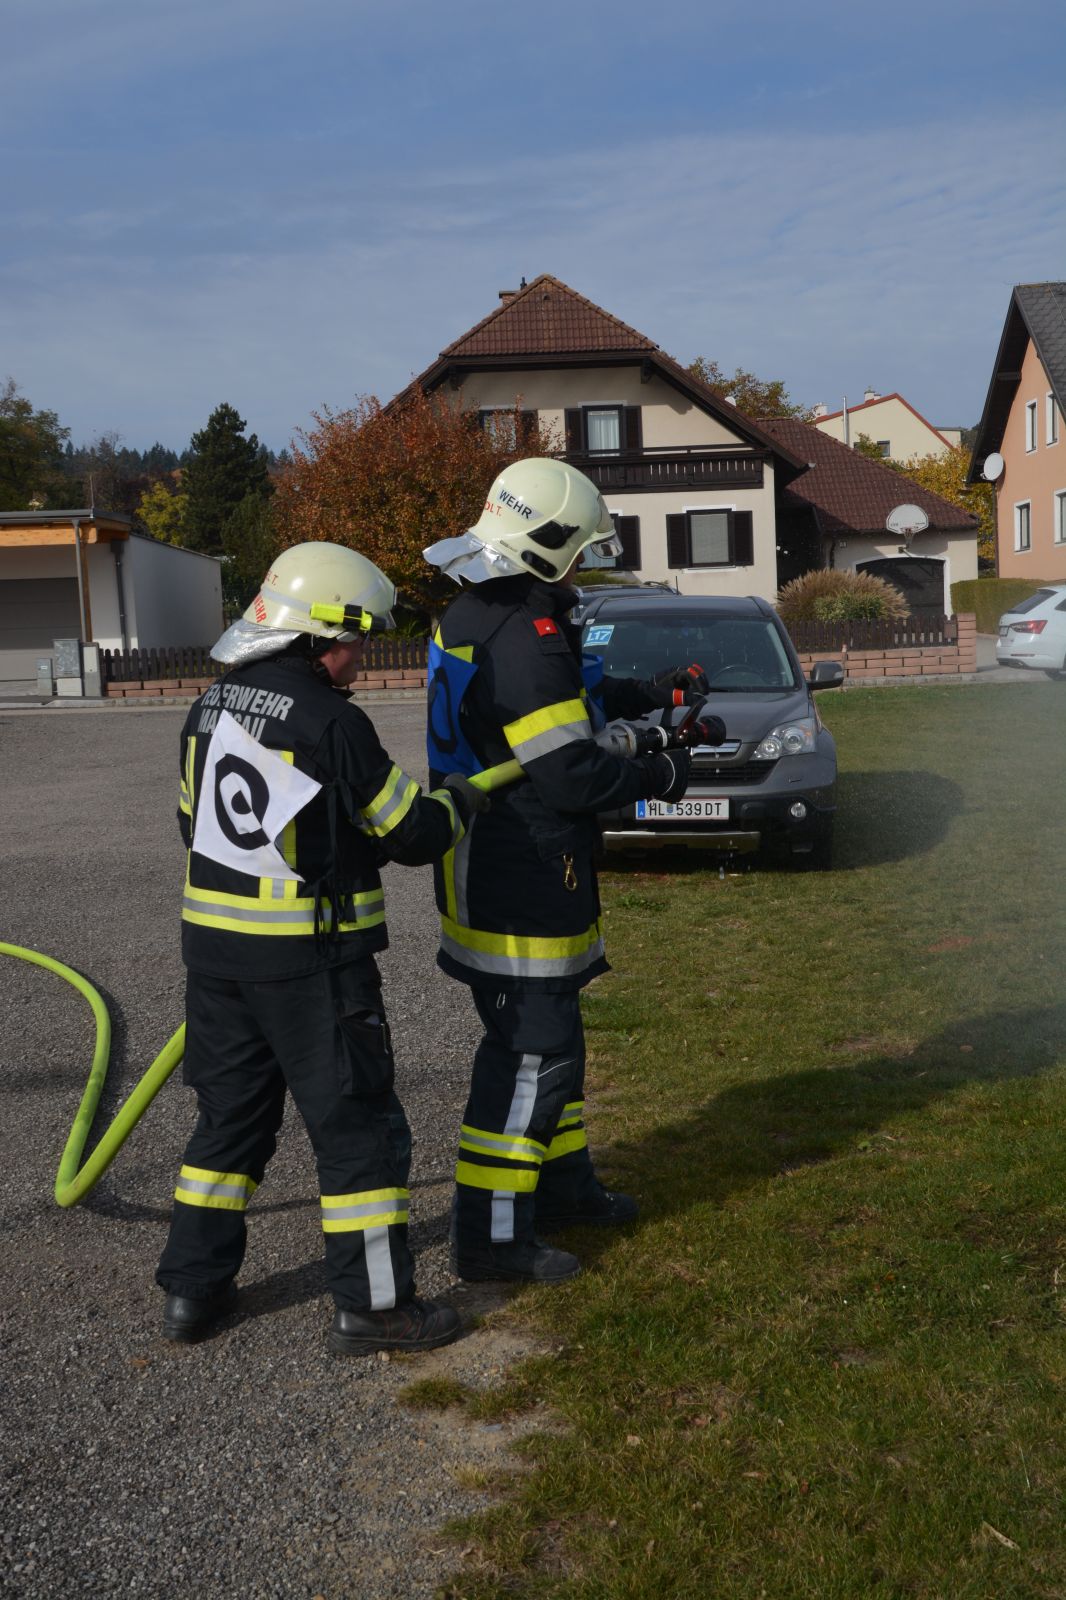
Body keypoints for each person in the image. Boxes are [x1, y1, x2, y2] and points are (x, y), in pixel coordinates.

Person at [157, 541, 487, 1353]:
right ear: (315, 637)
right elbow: (412, 833)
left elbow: (192, 825)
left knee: (228, 1126)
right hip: (312, 966)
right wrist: (460, 800)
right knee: (358, 1132)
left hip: (217, 961)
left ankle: (192, 1293)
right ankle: (375, 1308)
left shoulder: (208, 705)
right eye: (354, 640)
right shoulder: (331, 720)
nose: (360, 657)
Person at [423, 458, 714, 1285]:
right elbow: (569, 775)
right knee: (531, 1056)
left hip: (507, 861)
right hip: (519, 870)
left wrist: (649, 694)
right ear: (546, 545)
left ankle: (563, 1186)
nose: (584, 564)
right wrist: (662, 774)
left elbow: (558, 703)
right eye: (579, 549)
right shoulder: (524, 633)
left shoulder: (486, 608)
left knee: (557, 1044)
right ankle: (490, 1241)